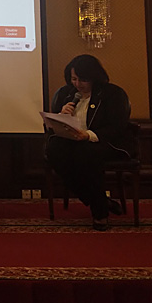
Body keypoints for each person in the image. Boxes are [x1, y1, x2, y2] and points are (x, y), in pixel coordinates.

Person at [46, 54, 134, 231]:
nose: (77, 84)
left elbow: (117, 127)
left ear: (94, 77)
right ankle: (101, 201)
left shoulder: (112, 94)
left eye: (83, 80)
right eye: (74, 79)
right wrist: (61, 116)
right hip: (72, 141)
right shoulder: (65, 93)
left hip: (104, 142)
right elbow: (53, 126)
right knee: (54, 149)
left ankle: (100, 212)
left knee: (85, 153)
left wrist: (88, 135)